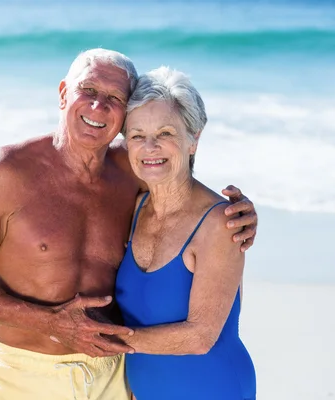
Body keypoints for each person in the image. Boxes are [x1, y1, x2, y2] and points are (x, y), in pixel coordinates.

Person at [0, 49, 258, 400]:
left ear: (124, 115)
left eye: (114, 98)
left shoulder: (132, 172)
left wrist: (238, 215)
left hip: (114, 376)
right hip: (25, 374)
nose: (98, 106)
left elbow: (184, 196)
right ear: (63, 94)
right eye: (87, 90)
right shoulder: (8, 173)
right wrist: (50, 322)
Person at [115, 66, 256, 400]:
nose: (150, 147)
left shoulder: (222, 222)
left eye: (165, 133)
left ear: (194, 138)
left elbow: (200, 336)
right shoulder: (133, 209)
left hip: (213, 388)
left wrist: (105, 340)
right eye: (137, 135)